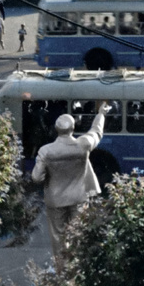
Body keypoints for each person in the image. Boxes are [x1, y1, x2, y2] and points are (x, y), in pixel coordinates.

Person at [32, 101, 111, 264]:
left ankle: (62, 269)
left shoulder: (46, 151)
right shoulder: (83, 145)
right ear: (73, 128)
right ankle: (77, 266)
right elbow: (96, 132)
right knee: (78, 233)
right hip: (79, 197)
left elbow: (36, 177)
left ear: (56, 129)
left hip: (55, 200)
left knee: (58, 237)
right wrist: (101, 114)